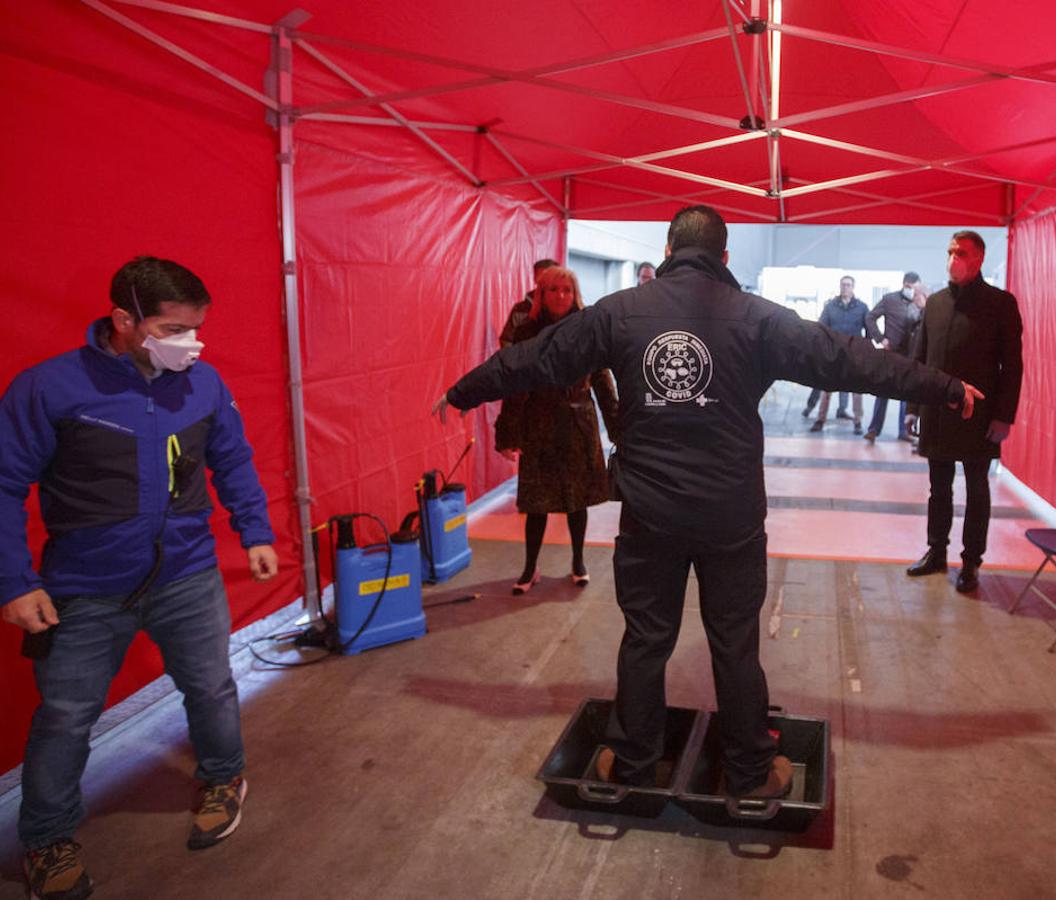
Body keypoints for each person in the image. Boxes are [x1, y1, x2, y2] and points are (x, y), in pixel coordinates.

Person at [433, 206, 980, 799]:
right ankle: (750, 770)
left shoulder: (619, 312)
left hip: (650, 516)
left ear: (668, 249)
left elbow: (534, 358)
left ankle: (633, 762)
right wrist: (945, 388)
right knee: (734, 643)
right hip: (731, 517)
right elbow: (853, 361)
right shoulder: (759, 319)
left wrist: (465, 390)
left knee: (646, 639)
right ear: (724, 258)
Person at [0, 257, 279, 900]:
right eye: (172, 328)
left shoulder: (203, 383)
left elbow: (233, 458)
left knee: (212, 686)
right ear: (124, 320)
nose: (189, 343)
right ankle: (47, 841)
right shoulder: (51, 388)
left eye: (196, 329)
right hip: (84, 588)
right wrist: (13, 583)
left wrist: (256, 531)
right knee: (64, 717)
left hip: (187, 576)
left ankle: (224, 776)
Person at [905, 232, 1023, 594]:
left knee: (977, 490)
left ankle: (971, 561)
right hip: (938, 412)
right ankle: (936, 552)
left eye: (962, 252)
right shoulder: (936, 303)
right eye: (951, 251)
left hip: (981, 417)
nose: (954, 257)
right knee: (938, 488)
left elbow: (1012, 366)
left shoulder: (1000, 303)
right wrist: (911, 407)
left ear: (979, 259)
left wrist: (1004, 416)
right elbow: (920, 359)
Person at [494, 265, 621, 593]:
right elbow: (515, 384)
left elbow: (603, 380)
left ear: (574, 293)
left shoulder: (588, 329)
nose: (560, 296)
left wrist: (618, 427)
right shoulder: (527, 331)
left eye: (566, 290)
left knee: (576, 500)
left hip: (579, 423)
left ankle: (578, 560)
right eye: (553, 290)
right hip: (540, 424)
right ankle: (530, 567)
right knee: (536, 502)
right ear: (542, 294)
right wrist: (508, 433)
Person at [864, 272, 926, 442]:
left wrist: (923, 307)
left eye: (917, 289)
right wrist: (880, 338)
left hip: (910, 356)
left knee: (906, 393)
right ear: (905, 284)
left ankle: (904, 431)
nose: (914, 291)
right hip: (890, 354)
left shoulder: (919, 303)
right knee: (882, 391)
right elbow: (870, 317)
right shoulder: (889, 300)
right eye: (912, 288)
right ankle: (873, 430)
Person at [810, 275, 871, 433]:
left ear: (853, 287)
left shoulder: (862, 307)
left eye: (848, 285)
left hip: (854, 355)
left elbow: (869, 330)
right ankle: (820, 420)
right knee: (827, 389)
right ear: (839, 286)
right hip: (833, 354)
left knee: (857, 391)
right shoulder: (830, 307)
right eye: (843, 285)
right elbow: (821, 328)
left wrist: (866, 350)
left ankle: (858, 422)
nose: (845, 287)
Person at [501, 258, 560, 349]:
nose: (545, 282)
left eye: (549, 277)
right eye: (541, 277)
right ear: (535, 278)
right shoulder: (520, 309)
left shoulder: (565, 309)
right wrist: (514, 361)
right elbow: (507, 339)